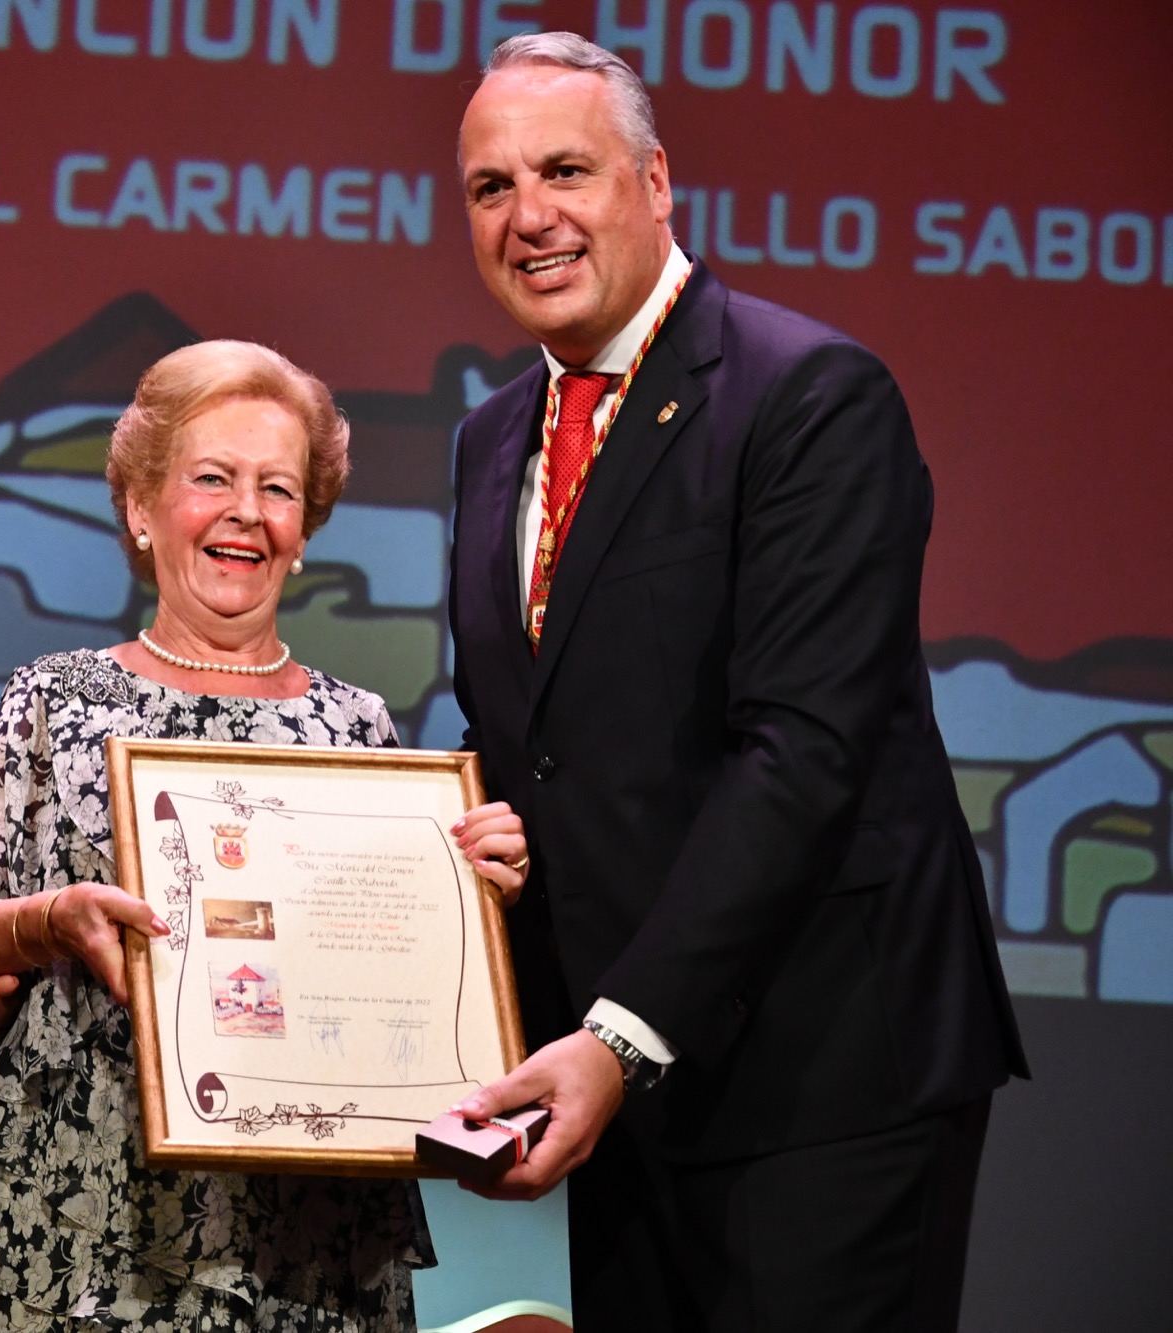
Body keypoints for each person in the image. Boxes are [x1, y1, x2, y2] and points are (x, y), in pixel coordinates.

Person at [443, 32, 1028, 1332]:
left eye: (564, 171)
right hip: (613, 1095)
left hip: (819, 1086)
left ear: (654, 183)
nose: (528, 216)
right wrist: (491, 836)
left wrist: (621, 1036)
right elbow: (528, 738)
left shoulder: (809, 396)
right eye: (491, 187)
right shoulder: (489, 441)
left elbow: (803, 751)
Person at [0, 340, 515, 1333]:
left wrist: (476, 893)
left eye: (277, 488)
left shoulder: (358, 730)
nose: (245, 511)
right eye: (211, 478)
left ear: (304, 528)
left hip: (304, 1249)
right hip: (73, 1228)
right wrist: (45, 920)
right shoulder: (55, 703)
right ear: (140, 508)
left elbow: (410, 989)